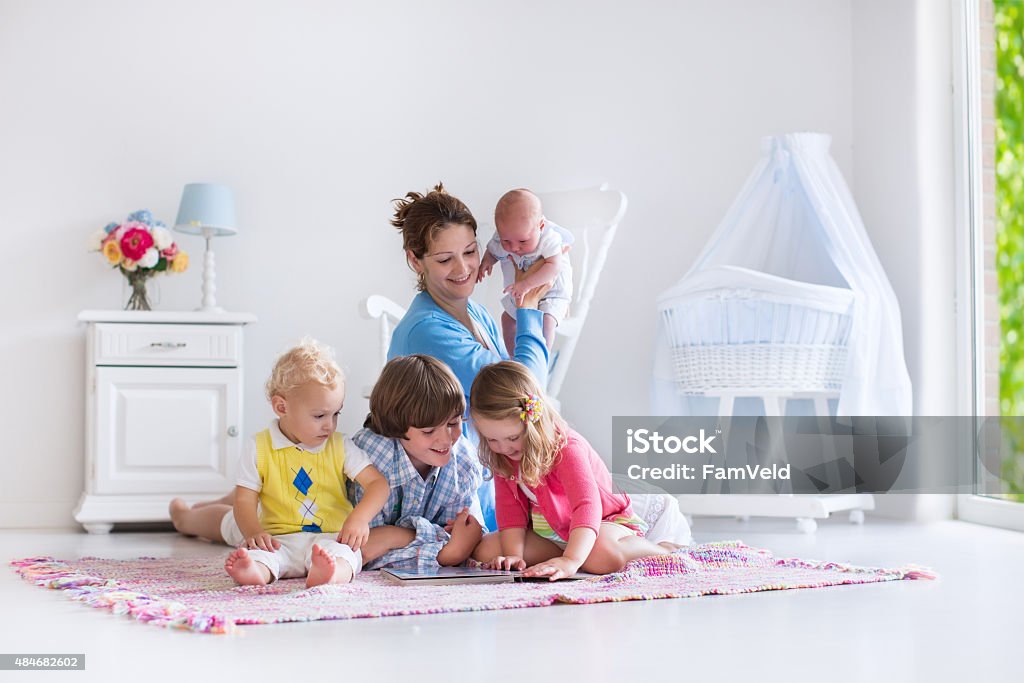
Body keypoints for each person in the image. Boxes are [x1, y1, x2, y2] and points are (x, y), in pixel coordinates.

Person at [387, 183, 552, 529]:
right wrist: (529, 309)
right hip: (449, 500)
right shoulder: (427, 330)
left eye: (470, 252)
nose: (463, 269)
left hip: (487, 482)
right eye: (445, 259)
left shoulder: (475, 312)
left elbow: (519, 385)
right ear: (415, 260)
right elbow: (524, 389)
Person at [173, 339, 391, 588]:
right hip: (277, 538)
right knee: (260, 553)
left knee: (347, 556)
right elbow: (243, 500)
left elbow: (377, 484)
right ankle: (243, 563)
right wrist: (254, 533)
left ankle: (329, 573)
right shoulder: (259, 447)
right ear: (281, 407)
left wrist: (360, 518)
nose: (330, 425)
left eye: (336, 413)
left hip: (330, 538)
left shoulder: (340, 446)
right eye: (319, 416)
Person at [469, 361, 681, 581]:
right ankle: (575, 554)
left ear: (534, 423)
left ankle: (663, 550)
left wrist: (571, 560)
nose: (504, 448)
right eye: (492, 439)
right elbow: (509, 510)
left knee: (600, 556)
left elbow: (586, 506)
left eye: (512, 438)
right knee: (486, 550)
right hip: (554, 533)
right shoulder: (503, 456)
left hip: (603, 523)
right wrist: (514, 555)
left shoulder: (567, 448)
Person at [346, 354, 486, 570]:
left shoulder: (463, 461)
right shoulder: (373, 457)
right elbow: (364, 551)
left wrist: (393, 536)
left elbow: (470, 540)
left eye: (454, 422)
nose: (446, 438)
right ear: (396, 427)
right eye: (429, 431)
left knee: (491, 550)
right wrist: (446, 554)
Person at [478, 188, 573, 354]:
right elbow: (493, 251)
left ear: (540, 226)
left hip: (552, 293)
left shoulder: (548, 237)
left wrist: (526, 284)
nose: (514, 248)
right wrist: (487, 261)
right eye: (506, 240)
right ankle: (515, 360)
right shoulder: (504, 237)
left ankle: (541, 357)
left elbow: (554, 265)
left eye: (523, 240)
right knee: (507, 320)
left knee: (547, 321)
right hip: (521, 292)